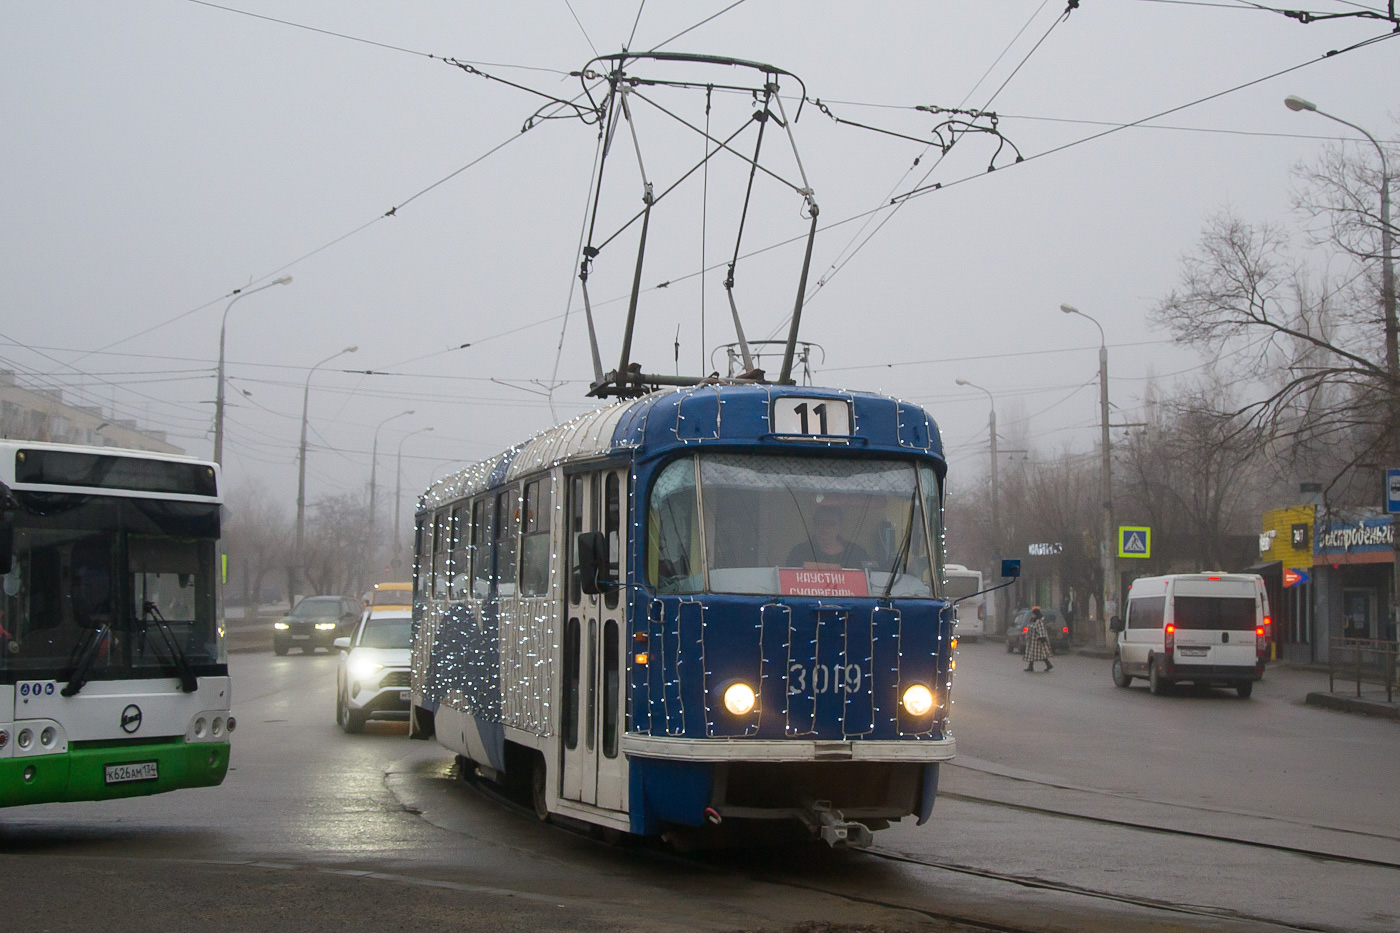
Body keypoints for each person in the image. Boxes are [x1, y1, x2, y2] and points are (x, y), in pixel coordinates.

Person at [786, 505, 871, 568]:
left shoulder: (856, 553)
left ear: (840, 527)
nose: (825, 527)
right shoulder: (800, 552)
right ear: (814, 525)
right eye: (820, 522)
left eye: (831, 523)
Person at [1023, 606, 1053, 672]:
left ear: (1036, 614)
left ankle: (1048, 664)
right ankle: (1031, 666)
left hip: (1037, 641)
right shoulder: (1032, 620)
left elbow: (1041, 630)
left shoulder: (1039, 621)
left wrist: (1041, 639)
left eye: (1033, 614)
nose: (1032, 615)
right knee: (1032, 654)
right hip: (1032, 640)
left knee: (1040, 654)